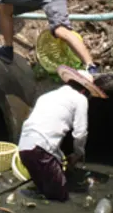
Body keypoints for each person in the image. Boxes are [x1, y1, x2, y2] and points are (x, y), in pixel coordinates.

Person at [17, 65, 106, 201]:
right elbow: (80, 133)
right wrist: (78, 154)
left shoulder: (47, 96)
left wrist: (60, 157)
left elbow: (45, 128)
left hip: (24, 147)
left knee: (44, 189)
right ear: (84, 90)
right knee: (61, 198)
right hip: (41, 149)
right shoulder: (80, 99)